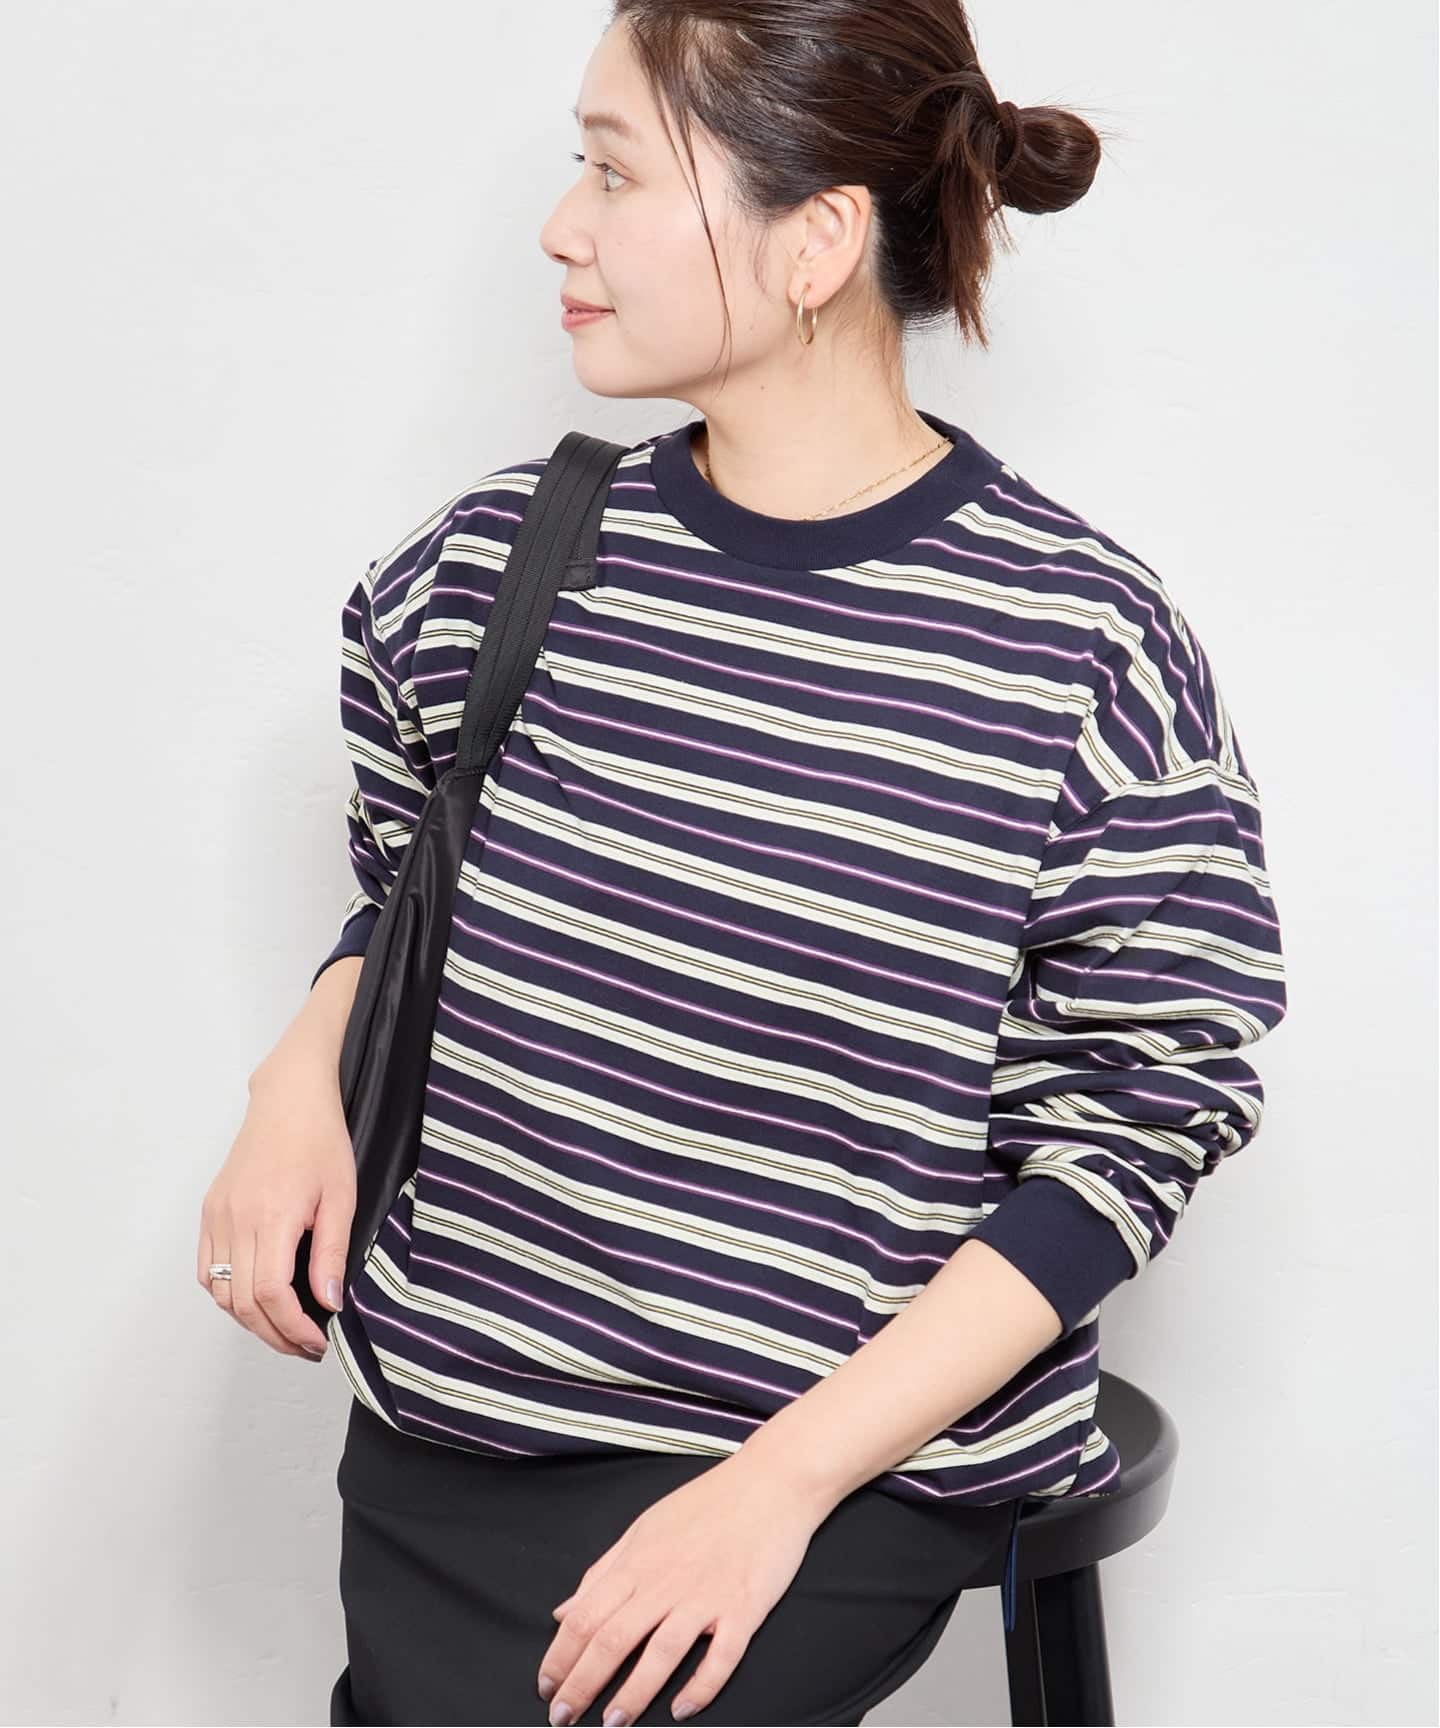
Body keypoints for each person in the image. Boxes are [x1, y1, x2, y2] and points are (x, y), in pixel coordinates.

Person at [197, 4, 1289, 1724]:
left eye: (616, 172)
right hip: (464, 1420)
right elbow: (414, 888)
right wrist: (292, 1084)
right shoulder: (498, 564)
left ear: (816, 241)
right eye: (575, 163)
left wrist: (775, 1488)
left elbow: (1147, 1108)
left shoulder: (1076, 645)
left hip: (836, 1458)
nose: (560, 226)